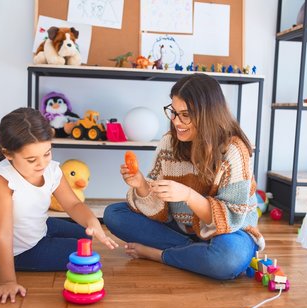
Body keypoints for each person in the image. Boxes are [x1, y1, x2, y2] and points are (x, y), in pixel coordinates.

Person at [103, 73, 264, 280]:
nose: (176, 121)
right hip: (180, 228)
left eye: (185, 115)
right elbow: (160, 212)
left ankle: (162, 255)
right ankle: (195, 254)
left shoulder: (234, 149)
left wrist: (188, 195)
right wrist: (142, 185)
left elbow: (233, 217)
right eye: (174, 112)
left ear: (208, 114)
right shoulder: (169, 142)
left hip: (229, 232)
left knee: (228, 258)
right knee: (113, 214)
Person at [0, 107, 118, 304]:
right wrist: (8, 281)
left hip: (40, 228)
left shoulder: (51, 170)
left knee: (86, 234)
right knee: (83, 253)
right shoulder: (1, 180)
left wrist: (92, 222)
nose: (42, 164)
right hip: (19, 251)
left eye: (47, 153)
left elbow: (74, 204)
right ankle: (14, 267)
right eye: (31, 159)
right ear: (8, 154)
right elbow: (2, 234)